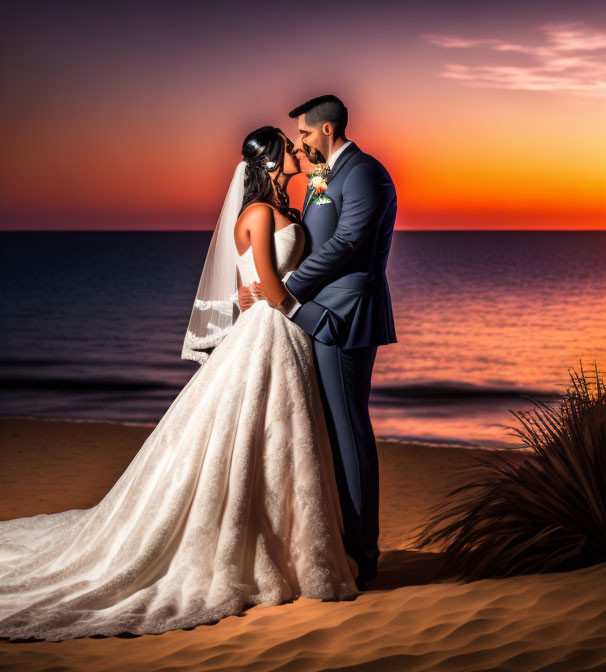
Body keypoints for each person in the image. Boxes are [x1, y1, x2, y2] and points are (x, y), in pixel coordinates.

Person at [0, 126, 360, 643]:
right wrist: (313, 318)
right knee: (267, 435)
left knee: (284, 441)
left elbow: (248, 292)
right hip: (275, 332)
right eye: (288, 146)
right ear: (273, 162)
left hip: (277, 329)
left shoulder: (287, 210)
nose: (296, 150)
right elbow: (265, 288)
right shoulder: (257, 215)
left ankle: (294, 547)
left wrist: (269, 297)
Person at [239, 95, 397, 588]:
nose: (301, 144)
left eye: (305, 135)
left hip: (343, 315)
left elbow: (348, 242)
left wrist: (285, 291)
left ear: (327, 130)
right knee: (327, 430)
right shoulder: (324, 176)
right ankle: (333, 539)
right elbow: (305, 236)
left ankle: (362, 551)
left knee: (348, 430)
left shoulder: (364, 173)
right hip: (312, 316)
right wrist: (260, 285)